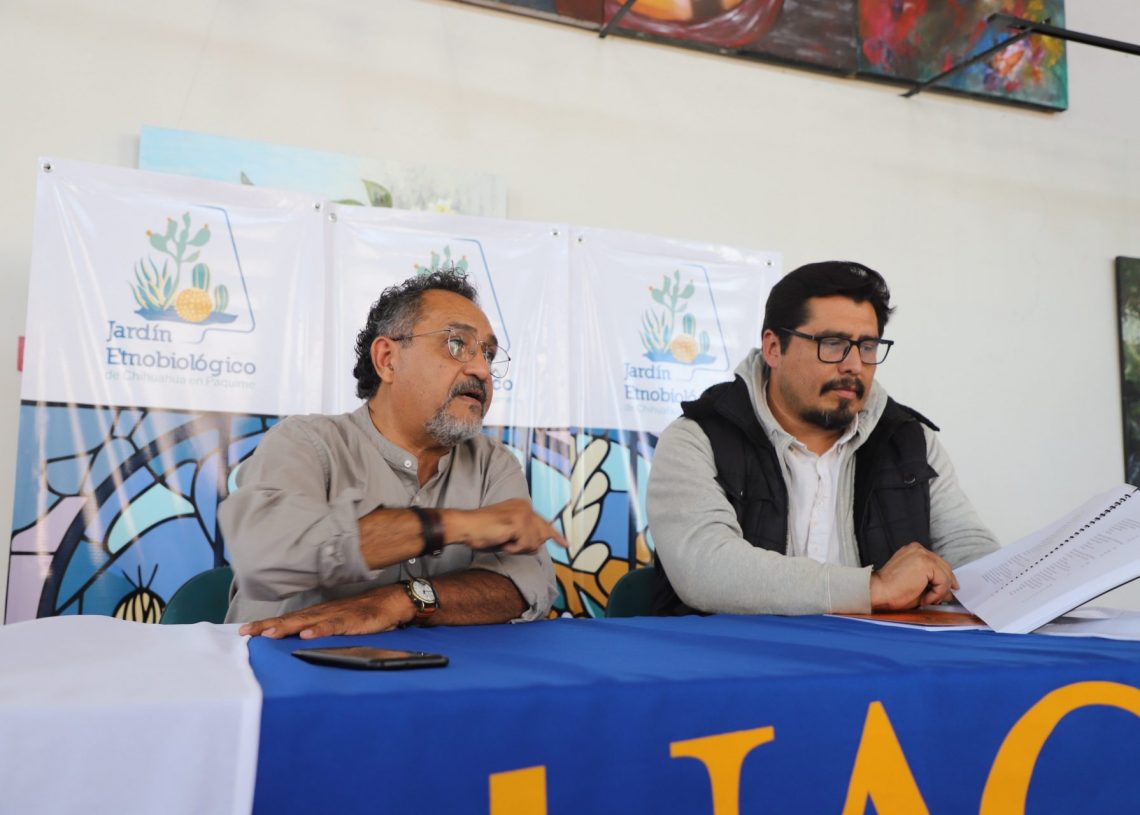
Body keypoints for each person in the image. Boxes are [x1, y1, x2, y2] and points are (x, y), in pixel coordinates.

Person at [220, 269, 564, 638]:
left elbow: (526, 584)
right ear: (387, 359)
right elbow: (265, 556)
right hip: (277, 665)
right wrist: (453, 525)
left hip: (433, 671)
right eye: (456, 344)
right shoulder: (305, 442)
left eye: (488, 354)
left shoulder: (492, 463)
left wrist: (401, 600)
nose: (481, 369)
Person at [647, 261, 998, 616]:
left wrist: (1008, 588)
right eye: (833, 344)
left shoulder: (911, 441)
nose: (854, 365)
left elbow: (967, 548)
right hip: (736, 650)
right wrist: (874, 589)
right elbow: (705, 568)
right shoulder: (696, 439)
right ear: (773, 348)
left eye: (867, 347)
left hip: (878, 651)